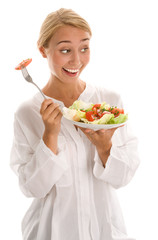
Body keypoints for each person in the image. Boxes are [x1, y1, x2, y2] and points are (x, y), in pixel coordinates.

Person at [10, 8, 140, 240]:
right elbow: (31, 189)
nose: (76, 60)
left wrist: (105, 149)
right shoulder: (27, 113)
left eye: (84, 48)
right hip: (51, 232)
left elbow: (124, 178)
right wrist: (50, 136)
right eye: (65, 50)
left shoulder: (109, 104)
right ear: (43, 49)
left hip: (104, 230)